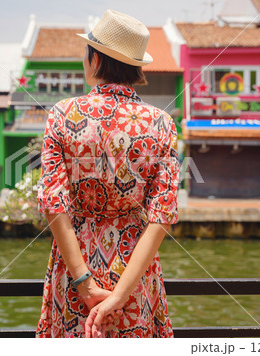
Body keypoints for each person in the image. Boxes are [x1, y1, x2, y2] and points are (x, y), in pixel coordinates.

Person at [36, 9, 179, 338]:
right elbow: (161, 217)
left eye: (87, 53)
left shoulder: (63, 114)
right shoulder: (161, 123)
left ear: (96, 60)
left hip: (75, 266)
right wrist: (119, 295)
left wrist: (85, 285)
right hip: (133, 268)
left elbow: (53, 205)